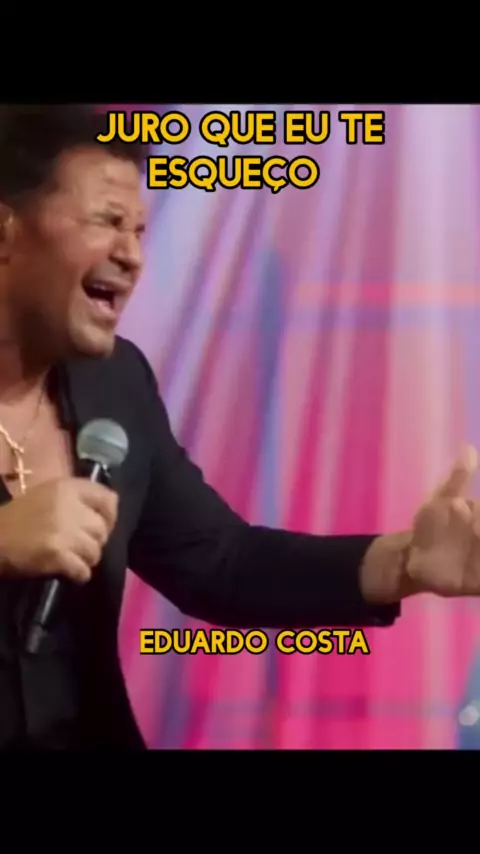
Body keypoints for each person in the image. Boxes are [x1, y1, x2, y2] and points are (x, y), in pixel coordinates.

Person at [0, 104, 478, 751]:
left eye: (139, 230)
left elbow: (219, 562)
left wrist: (405, 564)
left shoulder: (113, 382)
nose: (132, 255)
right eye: (107, 221)